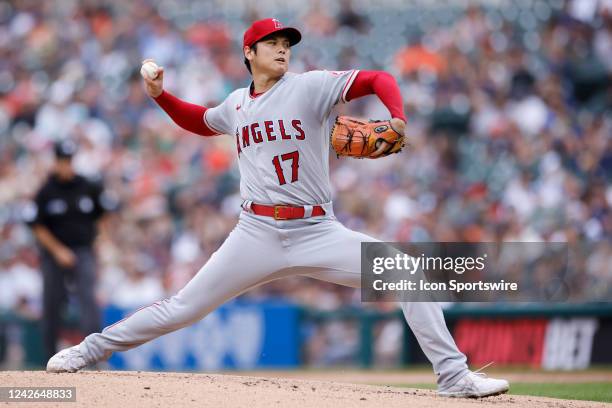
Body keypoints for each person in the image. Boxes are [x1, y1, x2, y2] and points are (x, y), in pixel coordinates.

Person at [47, 18, 509, 398]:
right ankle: (89, 350)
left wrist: (397, 115)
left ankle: (454, 377)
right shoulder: (235, 105)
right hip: (256, 233)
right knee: (183, 307)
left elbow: (377, 79)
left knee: (406, 273)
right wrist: (161, 97)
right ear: (249, 52)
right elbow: (200, 121)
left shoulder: (310, 87)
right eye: (272, 43)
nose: (283, 49)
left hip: (317, 229)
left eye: (286, 42)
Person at [27, 140, 110, 361]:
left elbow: (103, 214)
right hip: (54, 254)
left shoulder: (87, 186)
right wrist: (58, 251)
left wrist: (98, 240)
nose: (67, 166)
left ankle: (94, 356)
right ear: (55, 162)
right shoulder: (46, 191)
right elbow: (37, 226)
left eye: (69, 161)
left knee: (88, 301)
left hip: (83, 250)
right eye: (63, 161)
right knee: (52, 302)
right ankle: (50, 355)